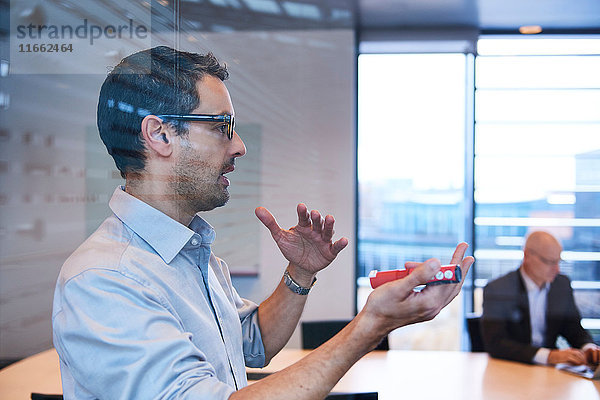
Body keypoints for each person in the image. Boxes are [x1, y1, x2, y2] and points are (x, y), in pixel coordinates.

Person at [52, 46, 475, 400]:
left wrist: (300, 272)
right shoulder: (106, 278)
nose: (239, 145)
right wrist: (371, 327)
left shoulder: (191, 253)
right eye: (222, 126)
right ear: (160, 135)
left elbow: (251, 343)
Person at [481, 231, 600, 366]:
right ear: (527, 256)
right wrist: (548, 356)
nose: (557, 269)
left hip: (550, 372)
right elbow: (496, 343)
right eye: (550, 262)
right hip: (511, 367)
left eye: (558, 261)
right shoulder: (499, 289)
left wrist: (588, 346)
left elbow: (573, 328)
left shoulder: (561, 284)